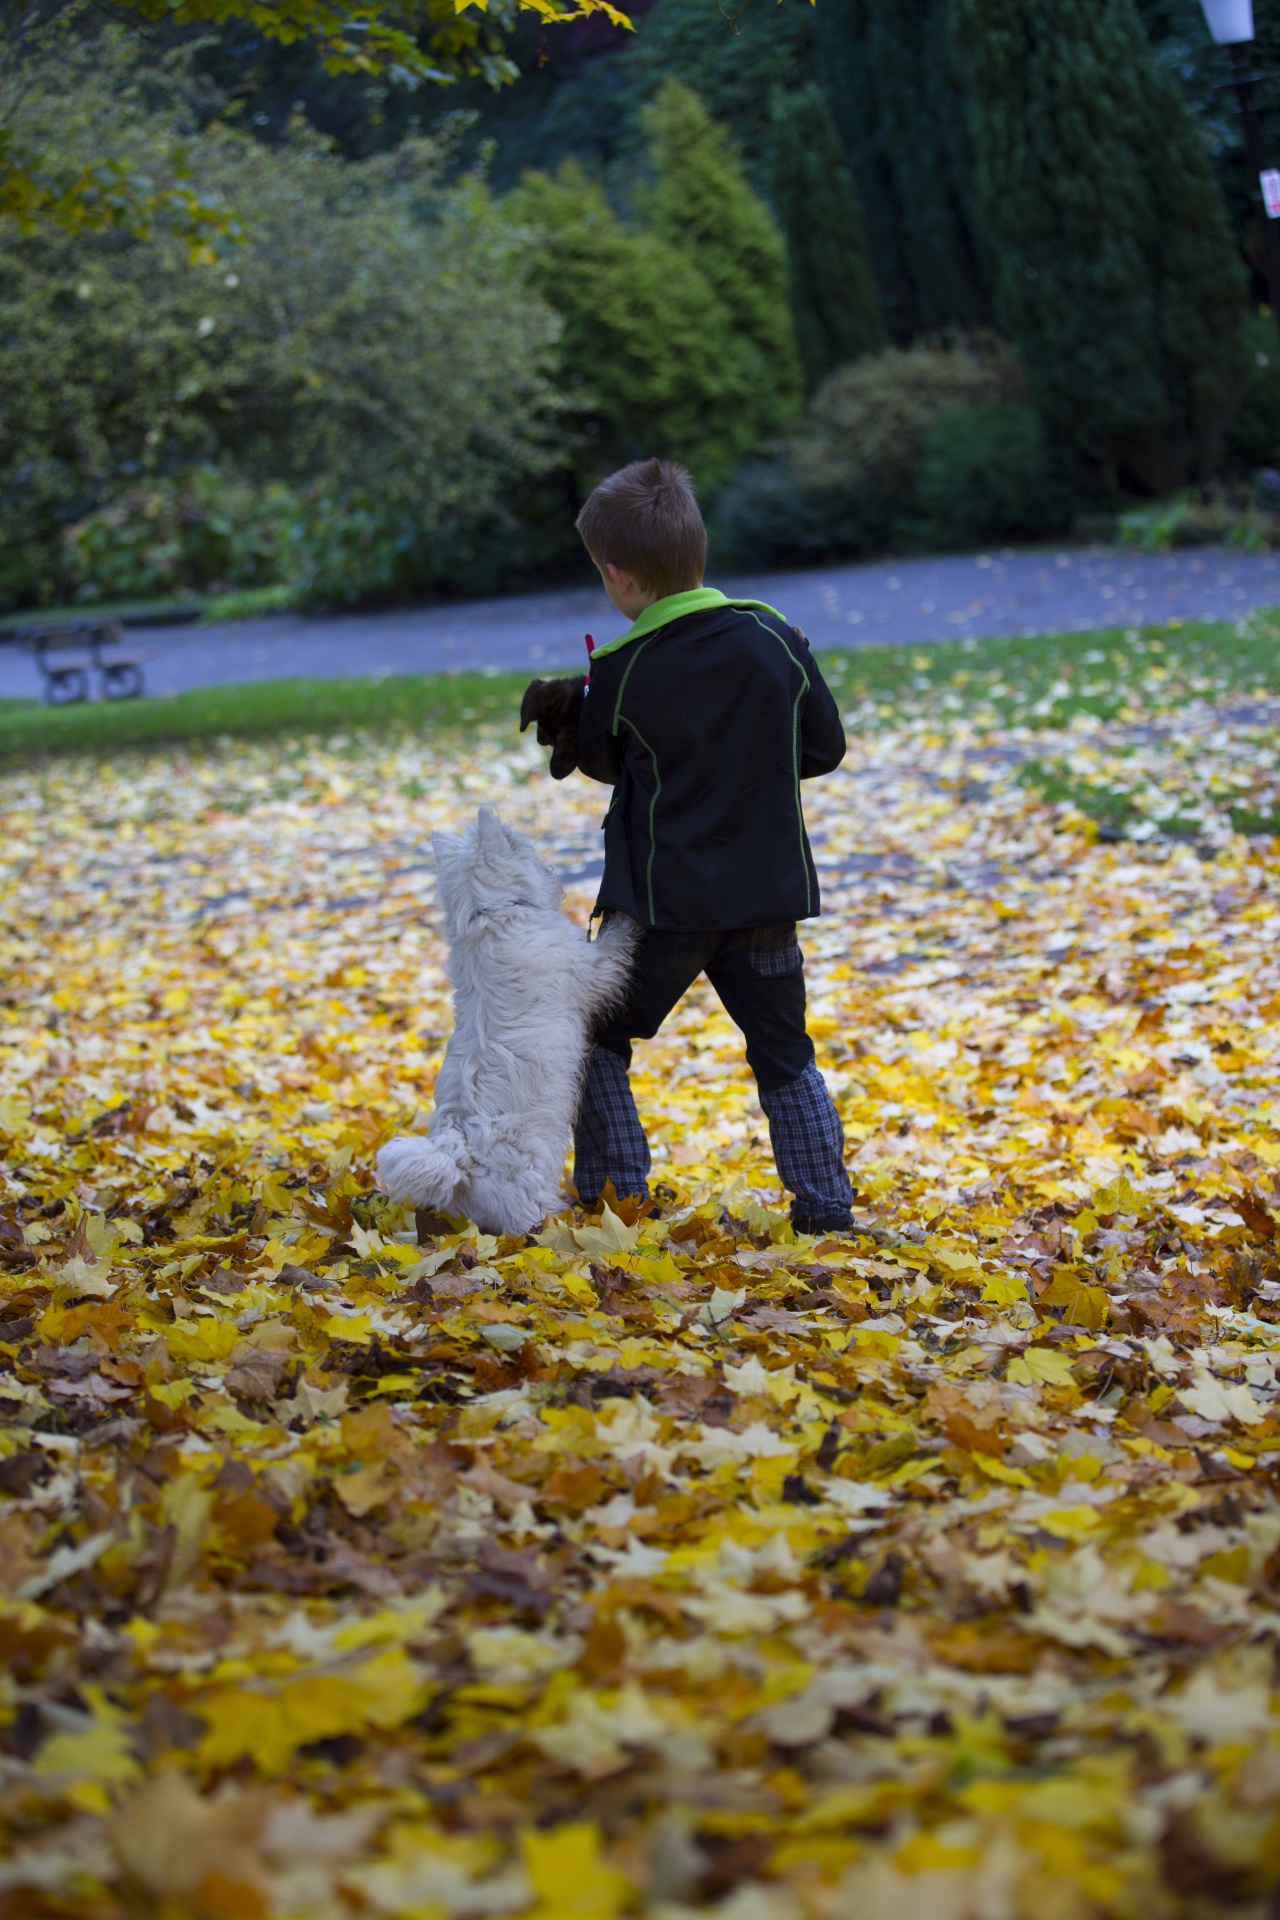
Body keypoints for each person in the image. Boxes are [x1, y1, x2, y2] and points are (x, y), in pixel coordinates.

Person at [533, 455, 854, 1235]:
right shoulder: (776, 640)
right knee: (786, 1054)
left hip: (662, 906)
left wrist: (579, 711)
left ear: (618, 576)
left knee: (595, 1034)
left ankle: (617, 1196)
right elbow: (823, 750)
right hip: (768, 896)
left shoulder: (623, 669)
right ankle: (825, 1205)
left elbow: (607, 767)